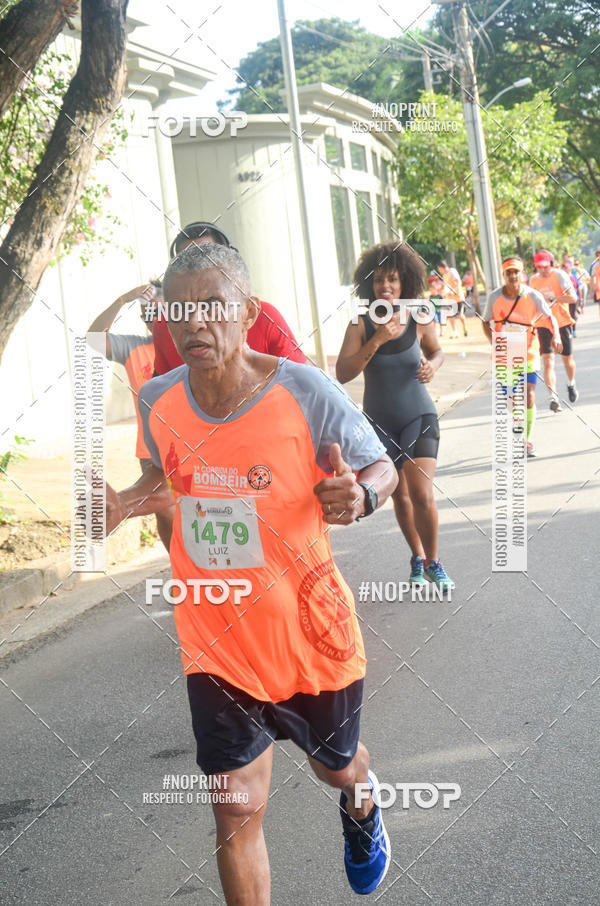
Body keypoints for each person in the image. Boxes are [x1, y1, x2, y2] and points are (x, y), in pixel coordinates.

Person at [105, 243, 398, 903]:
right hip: (217, 643)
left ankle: (362, 803)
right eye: (181, 308)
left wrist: (359, 496)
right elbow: (163, 476)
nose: (195, 323)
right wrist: (124, 503)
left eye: (213, 305)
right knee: (235, 808)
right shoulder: (158, 399)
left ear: (249, 313)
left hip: (310, 634)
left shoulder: (302, 388)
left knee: (337, 768)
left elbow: (381, 464)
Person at [336, 240, 454, 592]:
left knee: (421, 494)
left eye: (392, 279)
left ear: (404, 282)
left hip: (418, 415)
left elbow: (437, 351)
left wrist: (432, 366)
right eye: (377, 281)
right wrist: (376, 341)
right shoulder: (360, 323)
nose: (384, 286)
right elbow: (343, 373)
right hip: (378, 423)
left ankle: (434, 562)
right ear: (368, 285)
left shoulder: (418, 316)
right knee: (399, 496)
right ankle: (416, 557)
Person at [152, 221, 307, 373]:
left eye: (207, 258)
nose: (194, 323)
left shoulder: (267, 316)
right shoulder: (164, 323)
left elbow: (300, 384)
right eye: (186, 261)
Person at [88, 279, 175, 548]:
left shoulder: (190, 344)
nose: (155, 319)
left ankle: (121, 506)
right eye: (148, 313)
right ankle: (181, 570)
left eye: (161, 311)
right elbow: (93, 339)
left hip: (194, 440)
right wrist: (121, 300)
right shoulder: (134, 348)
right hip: (153, 449)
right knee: (168, 512)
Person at [482, 256, 561, 458]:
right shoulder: (495, 297)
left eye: (516, 271)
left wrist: (556, 335)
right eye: (509, 272)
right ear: (504, 275)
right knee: (510, 399)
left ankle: (527, 440)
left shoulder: (532, 296)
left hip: (528, 352)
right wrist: (495, 342)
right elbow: (485, 321)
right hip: (505, 353)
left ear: (522, 273)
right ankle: (518, 423)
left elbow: (549, 316)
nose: (513, 276)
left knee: (529, 395)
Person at [529, 249, 578, 406]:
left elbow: (573, 297)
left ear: (551, 264)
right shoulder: (533, 281)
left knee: (566, 358)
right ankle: (553, 397)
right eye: (539, 267)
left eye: (545, 266)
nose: (543, 270)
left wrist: (554, 299)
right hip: (544, 323)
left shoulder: (559, 276)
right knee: (548, 360)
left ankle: (571, 383)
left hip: (562, 322)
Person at [438, 259, 467, 338]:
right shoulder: (444, 276)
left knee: (461, 316)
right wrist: (444, 293)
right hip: (450, 299)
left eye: (439, 269)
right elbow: (445, 287)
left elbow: (458, 282)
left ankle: (465, 328)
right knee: (450, 315)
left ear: (443, 267)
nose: (439, 271)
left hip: (458, 297)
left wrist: (453, 291)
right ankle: (454, 332)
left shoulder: (452, 271)